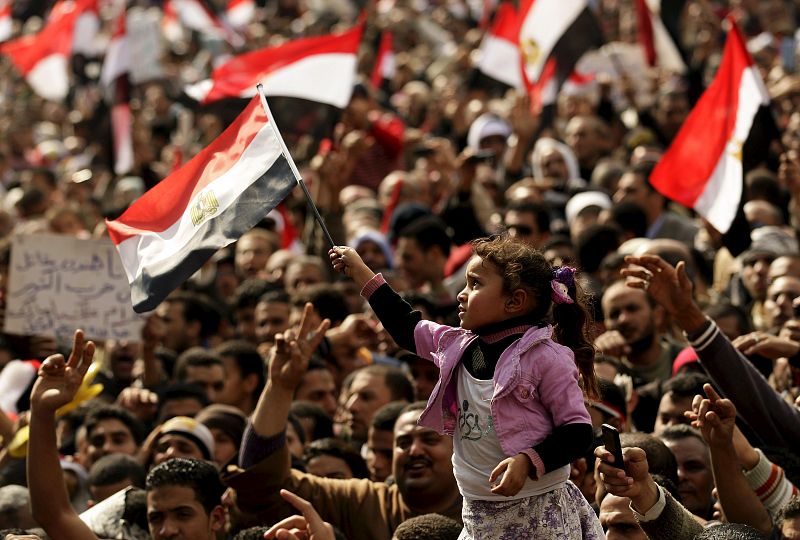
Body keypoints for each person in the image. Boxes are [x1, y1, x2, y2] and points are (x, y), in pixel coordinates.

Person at [330, 235, 603, 538]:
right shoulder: (457, 345)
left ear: (515, 301)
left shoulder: (545, 358)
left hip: (537, 514)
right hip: (477, 512)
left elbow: (577, 431)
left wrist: (528, 461)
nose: (461, 294)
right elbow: (407, 327)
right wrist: (360, 271)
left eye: (475, 284)